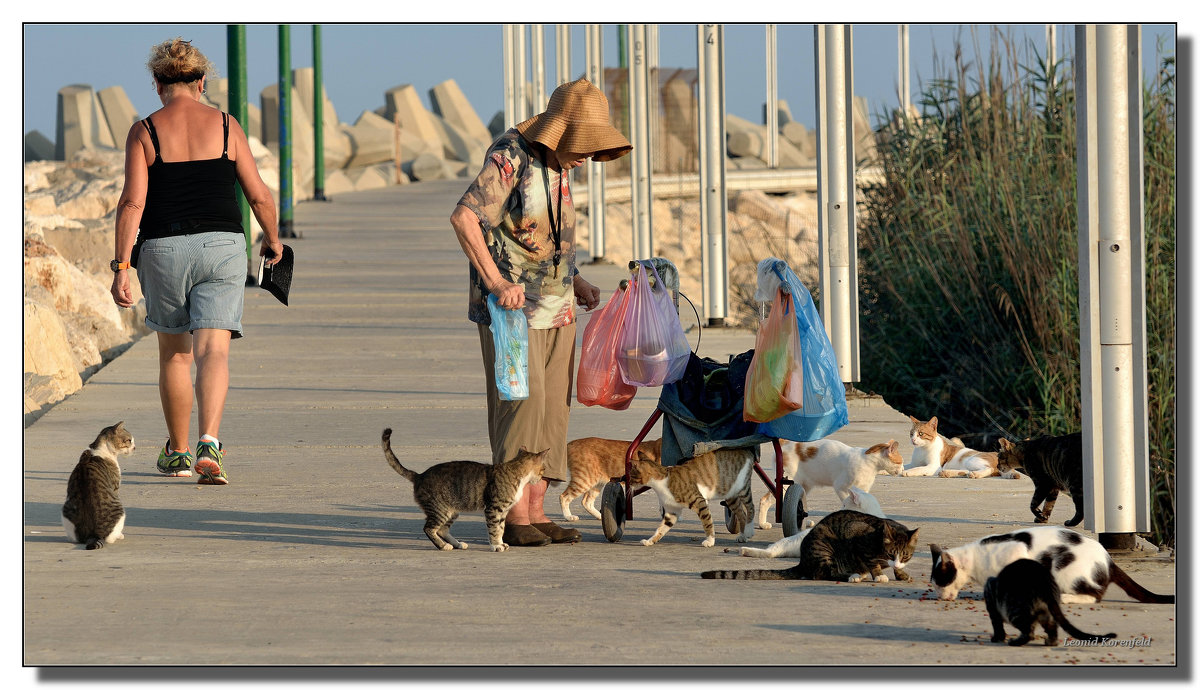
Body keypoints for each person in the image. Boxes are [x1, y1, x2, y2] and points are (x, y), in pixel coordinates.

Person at [449, 78, 632, 546]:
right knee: (520, 410)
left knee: (552, 413)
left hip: (559, 308)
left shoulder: (561, 166)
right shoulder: (511, 155)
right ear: (557, 134)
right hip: (512, 313)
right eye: (582, 147)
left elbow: (548, 238)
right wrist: (495, 282)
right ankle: (511, 517)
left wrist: (579, 281)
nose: (587, 156)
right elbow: (465, 217)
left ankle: (537, 512)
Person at [110, 38, 282, 485]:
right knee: (213, 350)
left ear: (157, 83)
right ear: (202, 81)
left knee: (175, 355)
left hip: (163, 249)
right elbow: (259, 193)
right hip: (223, 246)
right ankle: (210, 442)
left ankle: (179, 454)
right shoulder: (226, 125)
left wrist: (121, 267)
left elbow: (131, 204)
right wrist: (274, 239)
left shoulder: (144, 131)